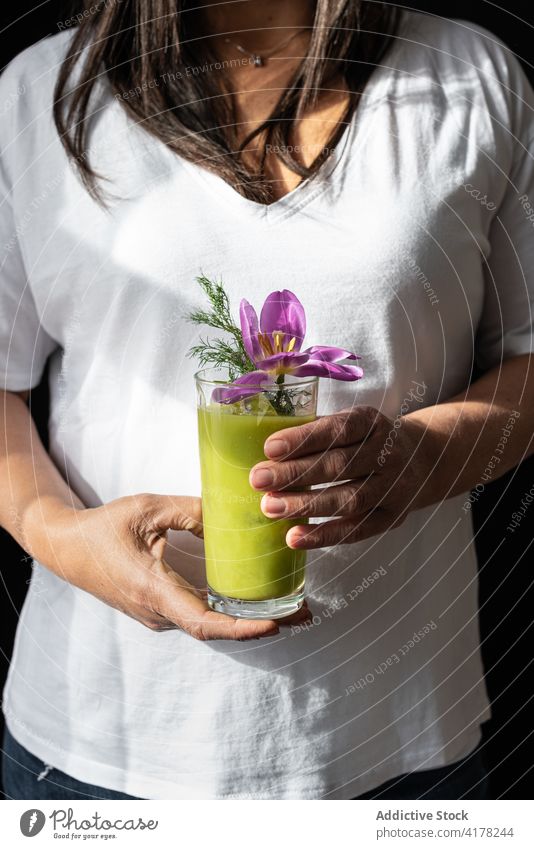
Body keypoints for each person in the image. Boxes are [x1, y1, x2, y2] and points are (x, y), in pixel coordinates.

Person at [0, 0, 533, 800]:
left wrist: (429, 453)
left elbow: (528, 358)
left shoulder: (474, 78)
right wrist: (58, 533)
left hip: (401, 749)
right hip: (98, 751)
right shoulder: (39, 94)